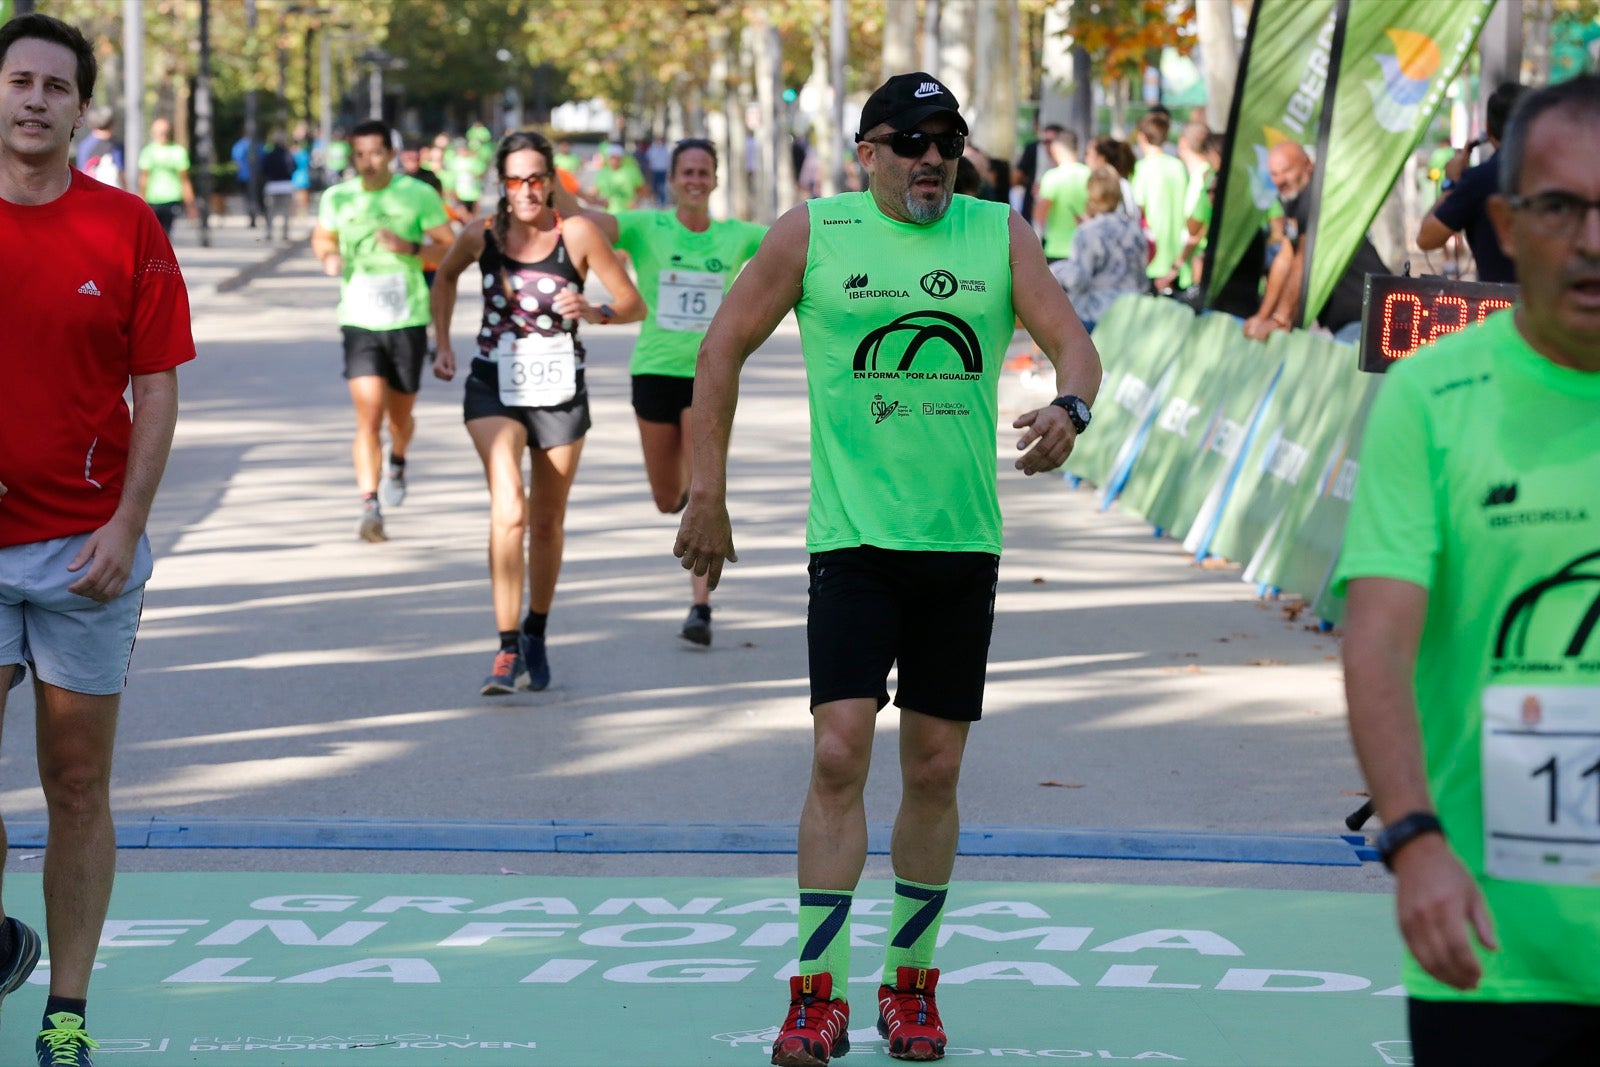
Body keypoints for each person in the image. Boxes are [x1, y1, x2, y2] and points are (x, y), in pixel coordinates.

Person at [673, 71, 1101, 1065]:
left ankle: (910, 985)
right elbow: (722, 346)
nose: (930, 158)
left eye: (945, 140)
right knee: (837, 752)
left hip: (959, 544)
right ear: (864, 150)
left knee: (936, 766)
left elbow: (1073, 344)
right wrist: (708, 490)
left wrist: (1069, 409)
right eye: (908, 140)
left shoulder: (997, 233)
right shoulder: (811, 232)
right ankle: (814, 992)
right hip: (854, 540)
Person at [1339, 74, 1600, 1066]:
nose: (1590, 238)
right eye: (1559, 206)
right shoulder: (1433, 396)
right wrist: (1411, 839)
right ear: (1504, 219)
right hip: (1493, 949)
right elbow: (1377, 637)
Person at [0, 13, 195, 1065]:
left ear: (80, 109)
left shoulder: (125, 227)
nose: (34, 99)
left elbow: (155, 385)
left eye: (54, 87)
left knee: (75, 783)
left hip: (85, 550)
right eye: (18, 80)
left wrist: (128, 522)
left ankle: (65, 1008)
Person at [430, 131, 643, 695]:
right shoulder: (482, 235)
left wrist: (594, 310)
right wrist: (443, 344)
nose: (525, 189)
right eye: (515, 179)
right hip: (492, 384)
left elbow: (631, 304)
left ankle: (537, 632)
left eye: (536, 178)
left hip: (559, 389)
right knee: (511, 511)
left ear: (551, 182)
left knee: (546, 522)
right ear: (501, 184)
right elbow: (445, 275)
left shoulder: (576, 234)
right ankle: (505, 649)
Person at [583, 138, 767, 646]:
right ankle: (692, 499)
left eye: (703, 172)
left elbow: (799, 243)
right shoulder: (646, 227)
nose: (694, 179)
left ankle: (700, 606)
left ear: (715, 180)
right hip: (652, 371)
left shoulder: (738, 236)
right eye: (686, 171)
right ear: (673, 179)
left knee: (703, 488)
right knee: (669, 498)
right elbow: (579, 221)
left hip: (709, 374)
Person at [310, 120, 456, 543]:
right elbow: (323, 239)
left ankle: (400, 458)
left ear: (390, 153)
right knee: (368, 414)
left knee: (401, 416)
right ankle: (370, 504)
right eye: (359, 155)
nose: (367, 163)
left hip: (408, 317)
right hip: (359, 318)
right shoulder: (337, 197)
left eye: (375, 153)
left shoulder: (418, 195)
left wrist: (410, 248)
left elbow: (449, 247)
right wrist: (329, 258)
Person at [1241, 140, 1389, 344]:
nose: (1279, 180)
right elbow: (1285, 260)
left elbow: (1302, 261)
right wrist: (1263, 317)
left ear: (1308, 164)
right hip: (1354, 319)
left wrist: (1279, 319)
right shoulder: (1297, 202)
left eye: (1286, 171)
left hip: (1368, 317)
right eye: (1274, 174)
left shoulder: (1316, 199)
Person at [1416, 82, 1528, 284]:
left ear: (1487, 128)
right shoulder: (1566, 174)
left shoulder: (1479, 180)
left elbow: (1427, 238)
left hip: (1499, 307)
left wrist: (1451, 183)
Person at [1049, 166, 1153, 333]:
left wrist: (1056, 271)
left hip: (1098, 315)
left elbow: (1079, 280)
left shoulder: (1087, 232)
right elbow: (1142, 273)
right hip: (1134, 313)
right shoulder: (1135, 229)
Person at [1131, 111, 1191, 292]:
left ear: (1142, 136)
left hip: (1152, 258)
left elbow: (1137, 209)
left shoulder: (1142, 169)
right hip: (1178, 255)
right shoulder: (1179, 166)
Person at [1033, 128, 1089, 263]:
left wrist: (1036, 200)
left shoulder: (1053, 177)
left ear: (1056, 148)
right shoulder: (1089, 174)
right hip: (1085, 248)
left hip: (1057, 249)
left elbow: (1039, 215)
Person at [136, 116, 193, 237]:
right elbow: (144, 178)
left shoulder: (178, 151)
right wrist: (141, 199)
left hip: (171, 199)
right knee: (152, 234)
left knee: (165, 235)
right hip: (152, 199)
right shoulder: (148, 152)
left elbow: (184, 179)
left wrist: (190, 203)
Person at [259, 128, 295, 243]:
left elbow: (263, 169)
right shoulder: (288, 154)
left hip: (272, 184)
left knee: (270, 211)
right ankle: (284, 234)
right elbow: (293, 167)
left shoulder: (269, 155)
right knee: (285, 211)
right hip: (286, 184)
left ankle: (269, 233)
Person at [73, 105, 121, 188]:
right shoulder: (115, 146)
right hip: (112, 194)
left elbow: (82, 171)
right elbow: (121, 173)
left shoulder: (85, 145)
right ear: (111, 124)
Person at [592, 143, 644, 213]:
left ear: (621, 158)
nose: (613, 160)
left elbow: (641, 190)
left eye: (616, 157)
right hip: (609, 214)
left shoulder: (631, 171)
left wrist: (636, 202)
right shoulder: (603, 173)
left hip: (628, 213)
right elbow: (594, 192)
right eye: (611, 157)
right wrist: (600, 202)